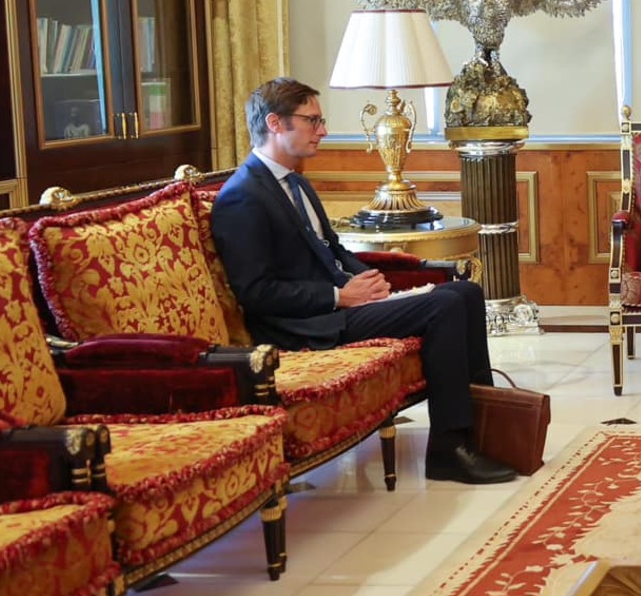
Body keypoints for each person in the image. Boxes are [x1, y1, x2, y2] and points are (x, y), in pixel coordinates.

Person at [210, 78, 518, 485]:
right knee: (445, 305)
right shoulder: (242, 196)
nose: (323, 131)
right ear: (275, 123)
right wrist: (339, 295)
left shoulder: (296, 182)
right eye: (312, 121)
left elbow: (335, 250)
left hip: (341, 306)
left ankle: (484, 433)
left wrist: (371, 282)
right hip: (305, 325)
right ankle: (449, 449)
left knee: (466, 292)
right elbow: (256, 293)